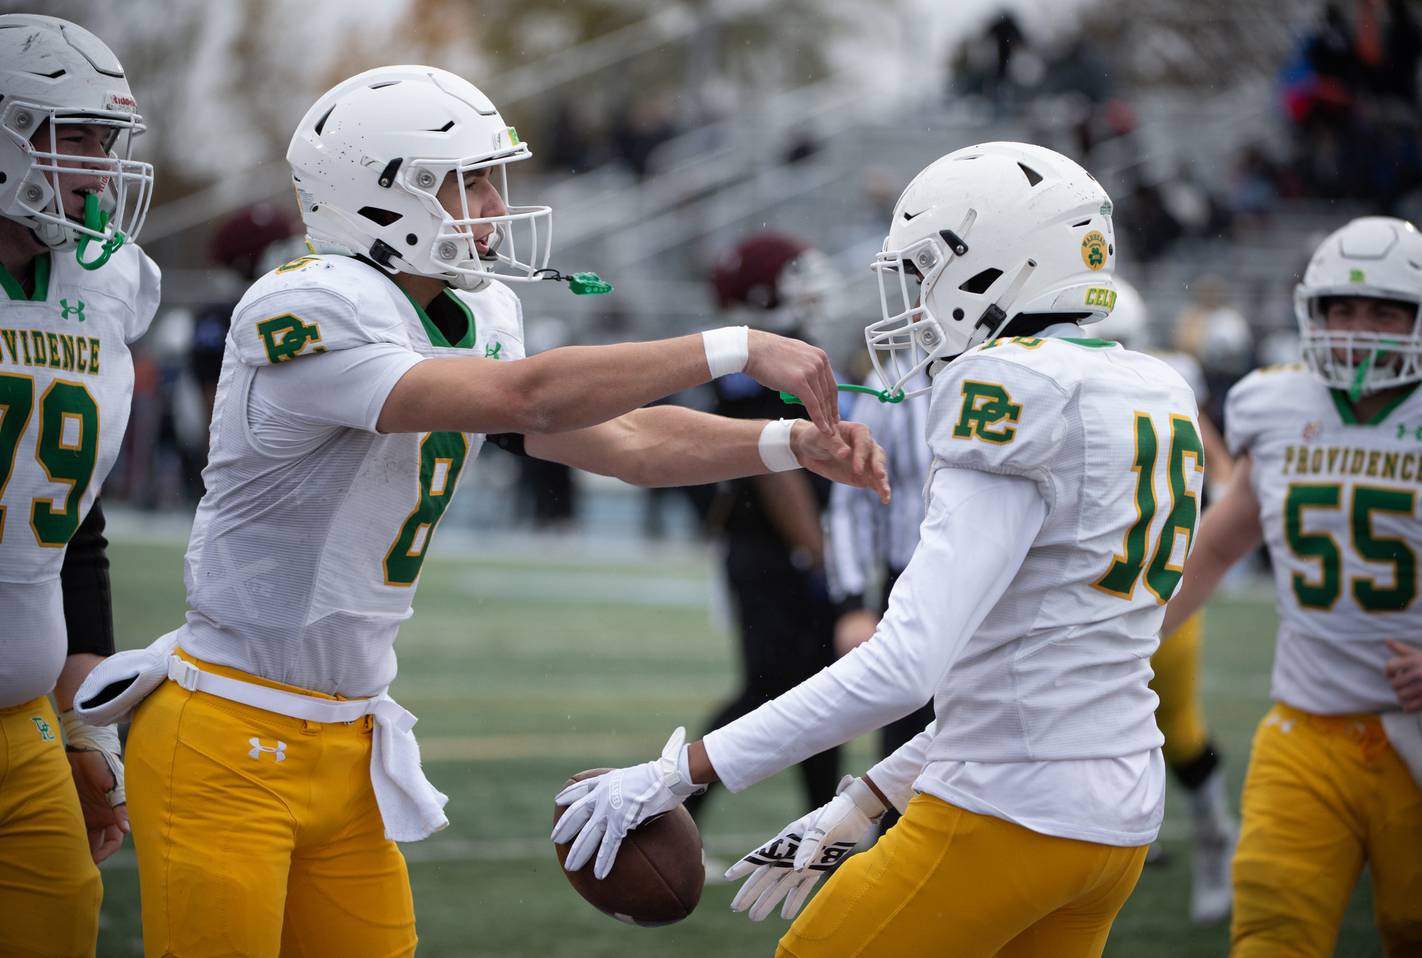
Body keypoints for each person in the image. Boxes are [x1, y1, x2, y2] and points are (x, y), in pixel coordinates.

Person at [95, 65, 887, 958]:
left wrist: (785, 444)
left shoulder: (476, 311)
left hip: (350, 736)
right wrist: (735, 345)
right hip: (226, 734)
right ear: (382, 194)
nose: (494, 207)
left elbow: (622, 439)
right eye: (467, 182)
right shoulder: (308, 304)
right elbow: (534, 399)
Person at [556, 141, 1204, 957]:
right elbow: (1034, 669)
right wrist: (867, 797)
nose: (913, 297)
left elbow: (905, 667)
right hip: (1110, 827)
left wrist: (677, 772)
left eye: (927, 269)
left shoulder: (1011, 386)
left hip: (1007, 814)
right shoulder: (1151, 385)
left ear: (1000, 264)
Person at [1159, 215, 1422, 957]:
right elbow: (1220, 542)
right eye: (1342, 310)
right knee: (1273, 927)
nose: (1360, 331)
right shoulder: (1277, 404)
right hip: (1307, 727)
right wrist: (1131, 638)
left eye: (1386, 311)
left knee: (1419, 929)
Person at [0, 14, 158, 958]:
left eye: (107, 140)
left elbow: (69, 519)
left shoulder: (103, 285)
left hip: (22, 725)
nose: (98, 167)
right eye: (73, 135)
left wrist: (84, 721)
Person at [687, 232, 848, 831]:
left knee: (817, 694)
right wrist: (820, 556)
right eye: (798, 273)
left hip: (785, 548)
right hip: (775, 551)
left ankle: (822, 827)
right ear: (764, 292)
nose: (815, 283)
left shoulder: (775, 351)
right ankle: (670, 802)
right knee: (770, 693)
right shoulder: (751, 363)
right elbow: (775, 467)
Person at [1089, 277, 1238, 924]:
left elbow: (1224, 470)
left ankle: (1213, 840)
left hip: (1149, 585)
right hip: (1082, 589)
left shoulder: (1163, 380)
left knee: (1175, 727)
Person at [823, 360, 932, 836]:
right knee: (905, 723)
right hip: (910, 579)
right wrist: (852, 601)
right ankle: (889, 838)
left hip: (1001, 585)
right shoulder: (893, 380)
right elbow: (853, 499)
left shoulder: (1021, 370)